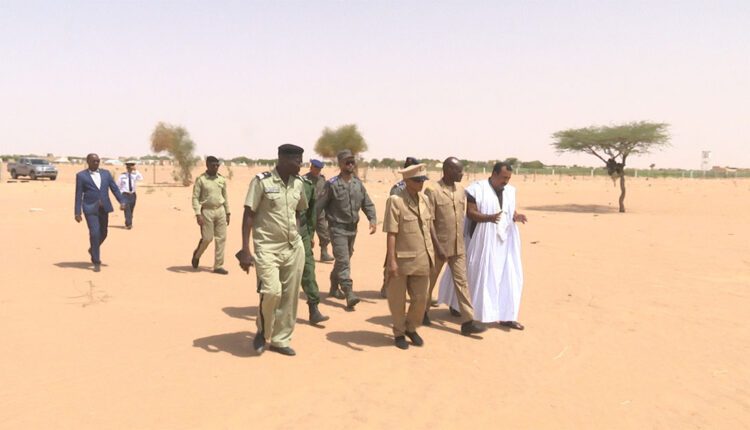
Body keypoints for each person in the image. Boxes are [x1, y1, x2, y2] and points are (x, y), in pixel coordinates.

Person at [438, 162, 528, 329]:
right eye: (503, 177)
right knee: (474, 275)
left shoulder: (510, 191)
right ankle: (458, 306)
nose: (506, 181)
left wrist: (516, 216)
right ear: (494, 174)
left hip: (504, 241)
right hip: (480, 241)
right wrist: (489, 218)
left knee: (508, 276)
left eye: (508, 178)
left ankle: (506, 316)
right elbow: (471, 213)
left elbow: (507, 210)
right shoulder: (477, 189)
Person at [237, 144, 307, 356]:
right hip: (267, 247)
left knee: (290, 296)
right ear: (283, 159)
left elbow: (299, 211)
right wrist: (245, 249)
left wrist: (296, 234)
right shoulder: (262, 181)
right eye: (297, 160)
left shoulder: (299, 183)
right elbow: (249, 214)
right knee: (271, 291)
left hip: (293, 248)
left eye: (301, 160)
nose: (300, 164)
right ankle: (263, 331)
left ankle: (280, 340)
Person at [424, 157, 485, 335]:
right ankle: (421, 312)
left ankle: (468, 321)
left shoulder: (461, 190)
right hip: (438, 247)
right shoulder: (432, 190)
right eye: (459, 171)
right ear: (448, 170)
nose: (462, 174)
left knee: (462, 282)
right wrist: (438, 247)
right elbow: (429, 221)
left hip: (458, 247)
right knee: (428, 282)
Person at [315, 149, 377, 309]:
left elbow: (367, 203)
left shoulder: (358, 184)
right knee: (343, 261)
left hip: (352, 230)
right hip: (337, 229)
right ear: (340, 164)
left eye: (352, 162)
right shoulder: (332, 184)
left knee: (345, 259)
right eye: (347, 162)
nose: (350, 164)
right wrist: (311, 227)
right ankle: (349, 292)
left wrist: (372, 219)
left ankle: (334, 286)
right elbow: (318, 207)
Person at [383, 163, 434, 349]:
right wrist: (391, 261)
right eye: (417, 180)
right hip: (401, 259)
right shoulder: (396, 201)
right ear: (407, 181)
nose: (421, 183)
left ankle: (411, 328)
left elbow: (429, 228)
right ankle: (399, 332)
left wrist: (433, 253)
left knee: (421, 298)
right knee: (397, 300)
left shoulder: (424, 200)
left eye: (423, 180)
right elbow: (391, 233)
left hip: (422, 258)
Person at [74, 153, 125, 272]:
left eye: (98, 161)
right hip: (90, 208)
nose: (96, 163)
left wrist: (122, 201)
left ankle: (93, 248)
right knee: (94, 233)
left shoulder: (106, 174)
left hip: (104, 208)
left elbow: (114, 188)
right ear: (88, 162)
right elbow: (78, 194)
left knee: (104, 233)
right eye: (94, 161)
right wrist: (77, 212)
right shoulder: (81, 176)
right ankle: (96, 260)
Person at [381, 156, 420, 299]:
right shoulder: (397, 189)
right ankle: (387, 285)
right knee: (392, 257)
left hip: (413, 229)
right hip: (399, 228)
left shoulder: (417, 184)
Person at [299, 172, 330, 325]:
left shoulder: (306, 186)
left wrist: (310, 235)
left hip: (302, 235)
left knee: (308, 271)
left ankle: (314, 309)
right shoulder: (269, 184)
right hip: (280, 238)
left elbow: (312, 213)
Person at [191, 156, 230, 275]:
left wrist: (228, 212)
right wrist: (198, 214)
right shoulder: (201, 180)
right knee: (207, 238)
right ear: (207, 165)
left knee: (221, 239)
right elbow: (195, 198)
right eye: (213, 165)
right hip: (207, 212)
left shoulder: (221, 179)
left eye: (217, 165)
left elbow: (225, 196)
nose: (216, 167)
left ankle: (218, 266)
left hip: (220, 210)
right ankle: (197, 255)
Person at [304, 159, 334, 262]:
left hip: (320, 211)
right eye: (316, 168)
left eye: (319, 169)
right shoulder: (304, 179)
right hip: (307, 211)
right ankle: (306, 256)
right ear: (311, 167)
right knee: (307, 235)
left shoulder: (322, 180)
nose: (318, 171)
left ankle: (324, 253)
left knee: (324, 233)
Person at [117, 160, 143, 229]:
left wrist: (136, 170)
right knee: (127, 210)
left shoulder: (135, 175)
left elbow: (141, 178)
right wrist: (120, 197)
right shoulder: (122, 176)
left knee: (131, 210)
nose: (130, 169)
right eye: (129, 167)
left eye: (131, 167)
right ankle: (129, 224)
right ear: (126, 167)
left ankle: (128, 222)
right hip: (125, 195)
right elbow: (118, 186)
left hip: (133, 195)